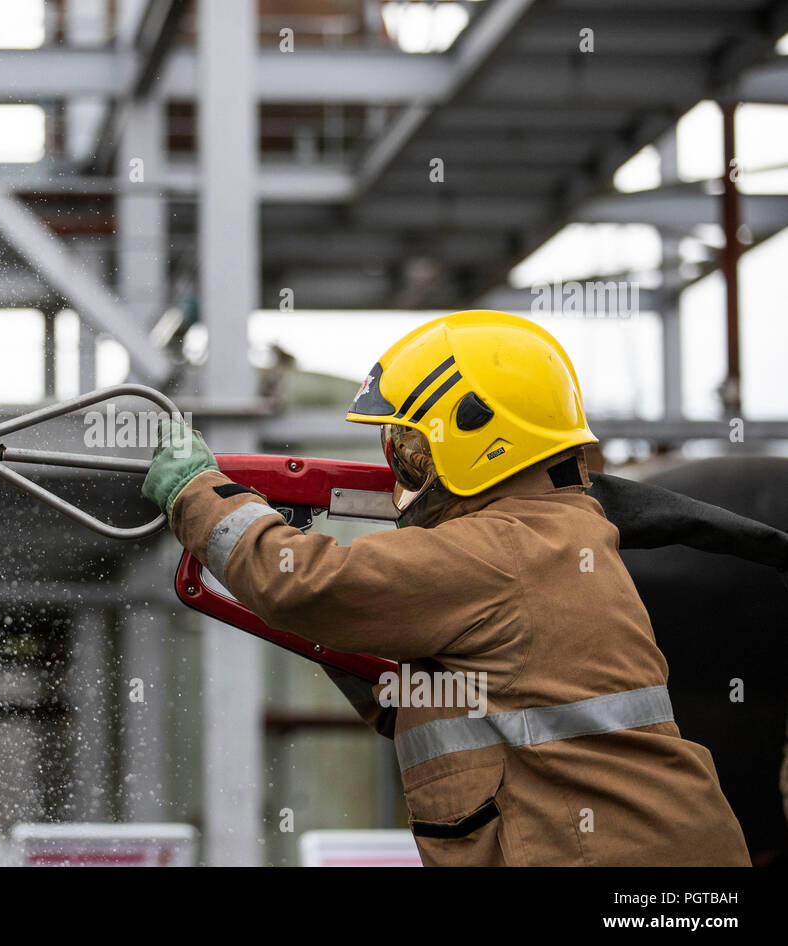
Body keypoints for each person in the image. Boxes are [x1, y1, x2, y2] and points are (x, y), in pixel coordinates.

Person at [143, 310, 750, 866]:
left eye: (410, 453)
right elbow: (459, 707)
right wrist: (340, 637)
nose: (402, 477)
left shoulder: (499, 551)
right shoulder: (554, 537)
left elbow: (303, 584)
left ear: (478, 439)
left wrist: (197, 493)